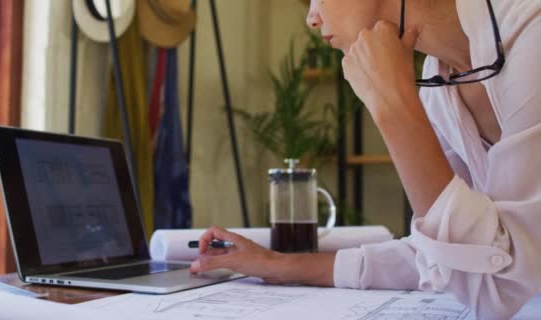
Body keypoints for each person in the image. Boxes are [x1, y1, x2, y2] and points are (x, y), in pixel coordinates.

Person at [188, 0, 541, 319]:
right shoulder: (441, 87)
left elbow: (497, 288)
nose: (311, 17)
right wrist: (278, 265)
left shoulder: (533, 35)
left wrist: (393, 106)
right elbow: (448, 256)